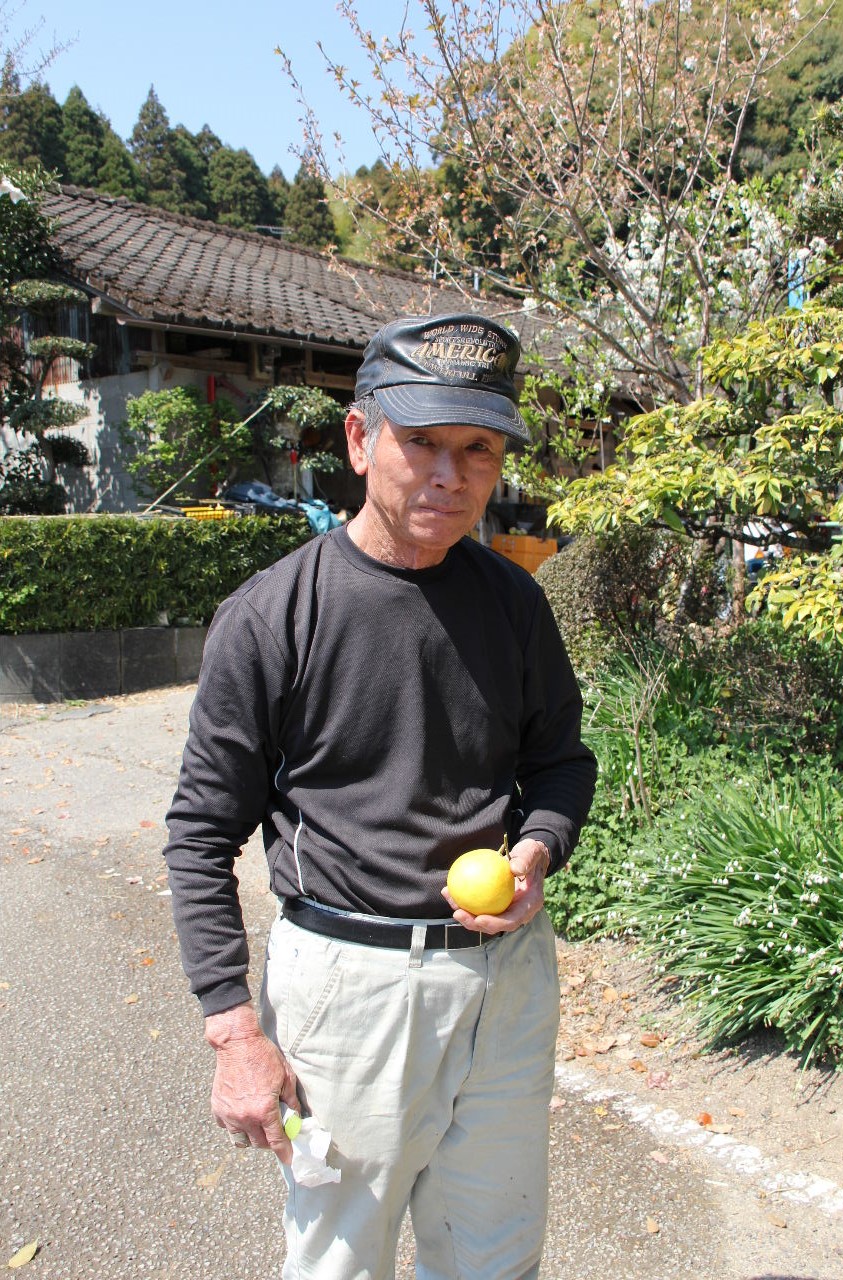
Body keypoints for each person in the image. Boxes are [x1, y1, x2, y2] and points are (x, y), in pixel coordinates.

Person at [164, 312, 597, 1280]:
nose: (449, 475)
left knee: (493, 1256)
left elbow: (561, 762)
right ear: (360, 441)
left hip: (505, 980)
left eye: (475, 448)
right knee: (339, 1261)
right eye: (422, 443)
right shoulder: (273, 616)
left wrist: (533, 851)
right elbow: (199, 834)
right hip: (348, 991)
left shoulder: (512, 602)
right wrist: (234, 1031)